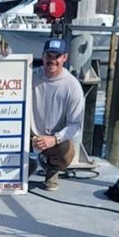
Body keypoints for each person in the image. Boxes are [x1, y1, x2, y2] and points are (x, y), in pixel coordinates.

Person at [30, 38, 85, 191]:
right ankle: (28, 163)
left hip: (52, 139)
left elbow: (76, 124)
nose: (52, 60)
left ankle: (51, 169)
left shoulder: (72, 86)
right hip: (29, 135)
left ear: (65, 58)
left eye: (57, 56)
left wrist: (54, 139)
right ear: (43, 56)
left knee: (66, 152)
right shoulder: (30, 77)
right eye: (49, 56)